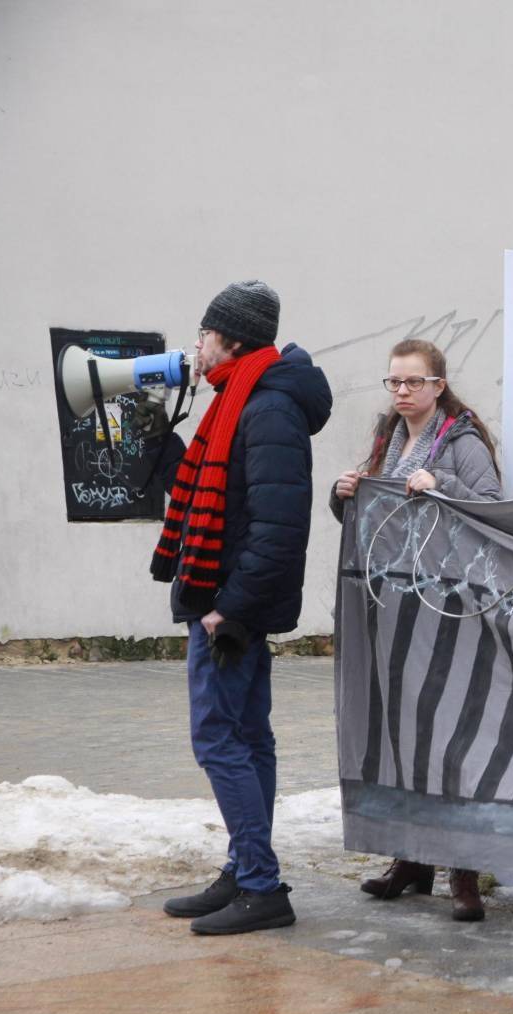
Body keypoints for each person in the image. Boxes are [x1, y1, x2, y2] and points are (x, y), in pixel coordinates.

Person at [156, 281, 332, 935]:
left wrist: (230, 608)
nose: (195, 346)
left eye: (203, 334)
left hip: (228, 604)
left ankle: (260, 884)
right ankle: (245, 868)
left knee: (220, 738)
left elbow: (280, 525)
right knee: (247, 736)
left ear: (229, 339)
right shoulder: (244, 399)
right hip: (229, 598)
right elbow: (225, 499)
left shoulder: (264, 406)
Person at [331, 338, 502, 921]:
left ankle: (464, 871)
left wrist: (442, 485)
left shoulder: (462, 439)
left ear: (438, 385)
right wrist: (345, 495)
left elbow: (492, 507)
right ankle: (412, 860)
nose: (401, 392)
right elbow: (375, 516)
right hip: (392, 604)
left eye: (412, 382)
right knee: (399, 732)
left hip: (447, 606)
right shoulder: (388, 436)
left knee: (448, 735)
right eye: (394, 382)